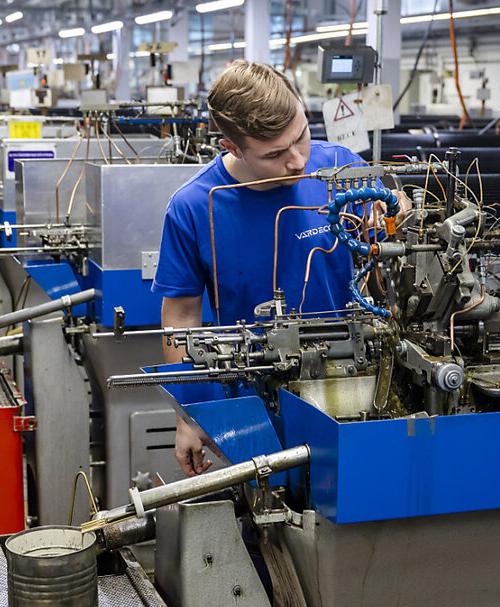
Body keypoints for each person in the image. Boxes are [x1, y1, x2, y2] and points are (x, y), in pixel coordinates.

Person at [152, 60, 408, 476]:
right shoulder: (195, 206)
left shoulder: (342, 169)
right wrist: (189, 414)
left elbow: (394, 249)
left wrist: (399, 216)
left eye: (302, 136)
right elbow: (181, 317)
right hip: (256, 400)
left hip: (357, 383)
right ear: (233, 147)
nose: (298, 161)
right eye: (275, 154)